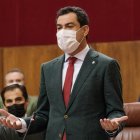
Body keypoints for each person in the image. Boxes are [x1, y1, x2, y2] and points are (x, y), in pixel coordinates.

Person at [0, 6, 128, 140]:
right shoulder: (48, 68)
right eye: (59, 27)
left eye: (69, 26)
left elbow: (116, 111)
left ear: (85, 30)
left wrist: (113, 124)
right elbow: (43, 114)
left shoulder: (106, 65)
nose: (62, 32)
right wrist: (21, 123)